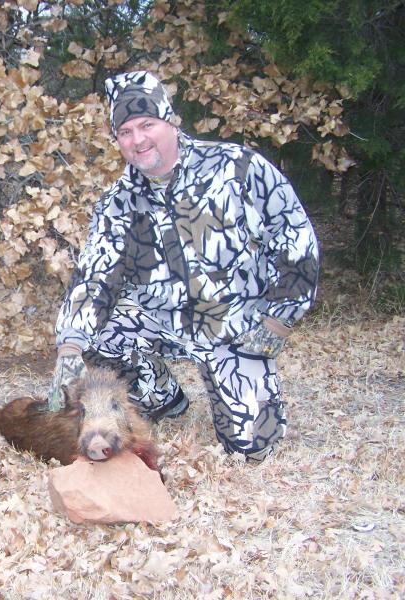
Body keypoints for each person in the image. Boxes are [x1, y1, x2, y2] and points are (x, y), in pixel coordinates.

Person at [48, 71, 319, 463]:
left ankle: (240, 395)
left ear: (169, 120)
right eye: (125, 131)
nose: (138, 140)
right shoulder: (117, 203)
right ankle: (162, 397)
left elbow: (296, 237)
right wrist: (69, 348)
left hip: (235, 329)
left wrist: (277, 321)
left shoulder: (237, 168)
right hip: (162, 322)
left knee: (252, 450)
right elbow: (94, 277)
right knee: (98, 332)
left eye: (147, 124)